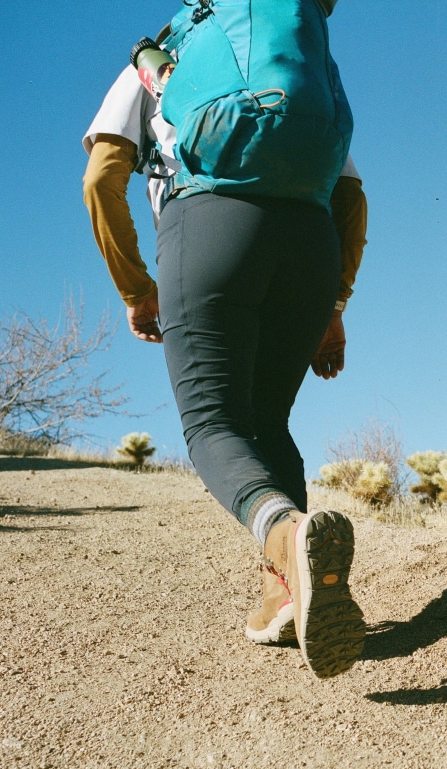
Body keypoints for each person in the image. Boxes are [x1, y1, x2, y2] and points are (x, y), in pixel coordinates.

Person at [82, 13, 368, 679]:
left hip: (211, 225)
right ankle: (285, 596)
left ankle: (286, 533)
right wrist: (335, 306)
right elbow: (351, 197)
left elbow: (102, 175)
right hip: (311, 241)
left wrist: (135, 288)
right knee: (267, 423)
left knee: (213, 423)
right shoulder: (297, 52)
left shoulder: (162, 59)